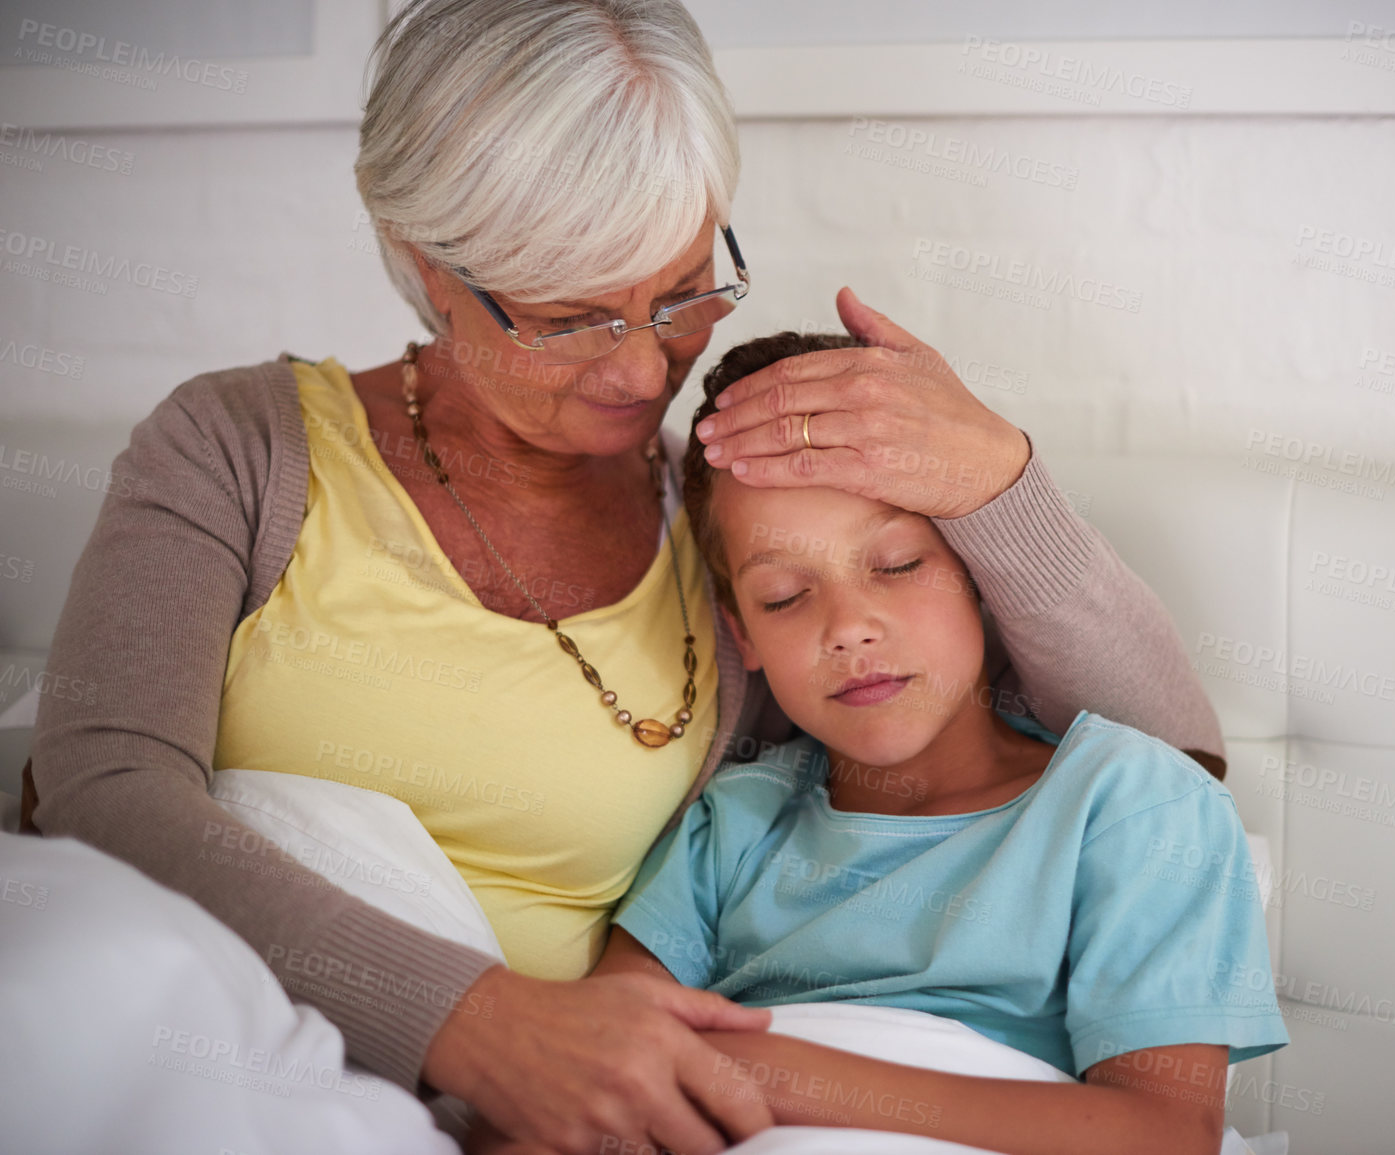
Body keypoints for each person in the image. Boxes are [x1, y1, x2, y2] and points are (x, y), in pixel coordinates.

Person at [27, 2, 1226, 1152]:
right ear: (426, 261)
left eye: (683, 291)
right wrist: (471, 1021)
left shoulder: (738, 548)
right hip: (214, 1030)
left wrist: (997, 480)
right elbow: (103, 786)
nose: (645, 371)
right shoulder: (237, 446)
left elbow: (1170, 763)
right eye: (575, 318)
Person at [468, 331, 1285, 1154]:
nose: (849, 627)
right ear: (739, 632)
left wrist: (782, 1074)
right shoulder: (734, 823)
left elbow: (1165, 1134)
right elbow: (601, 1067)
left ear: (979, 576)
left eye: (895, 565)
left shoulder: (1132, 804)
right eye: (785, 596)